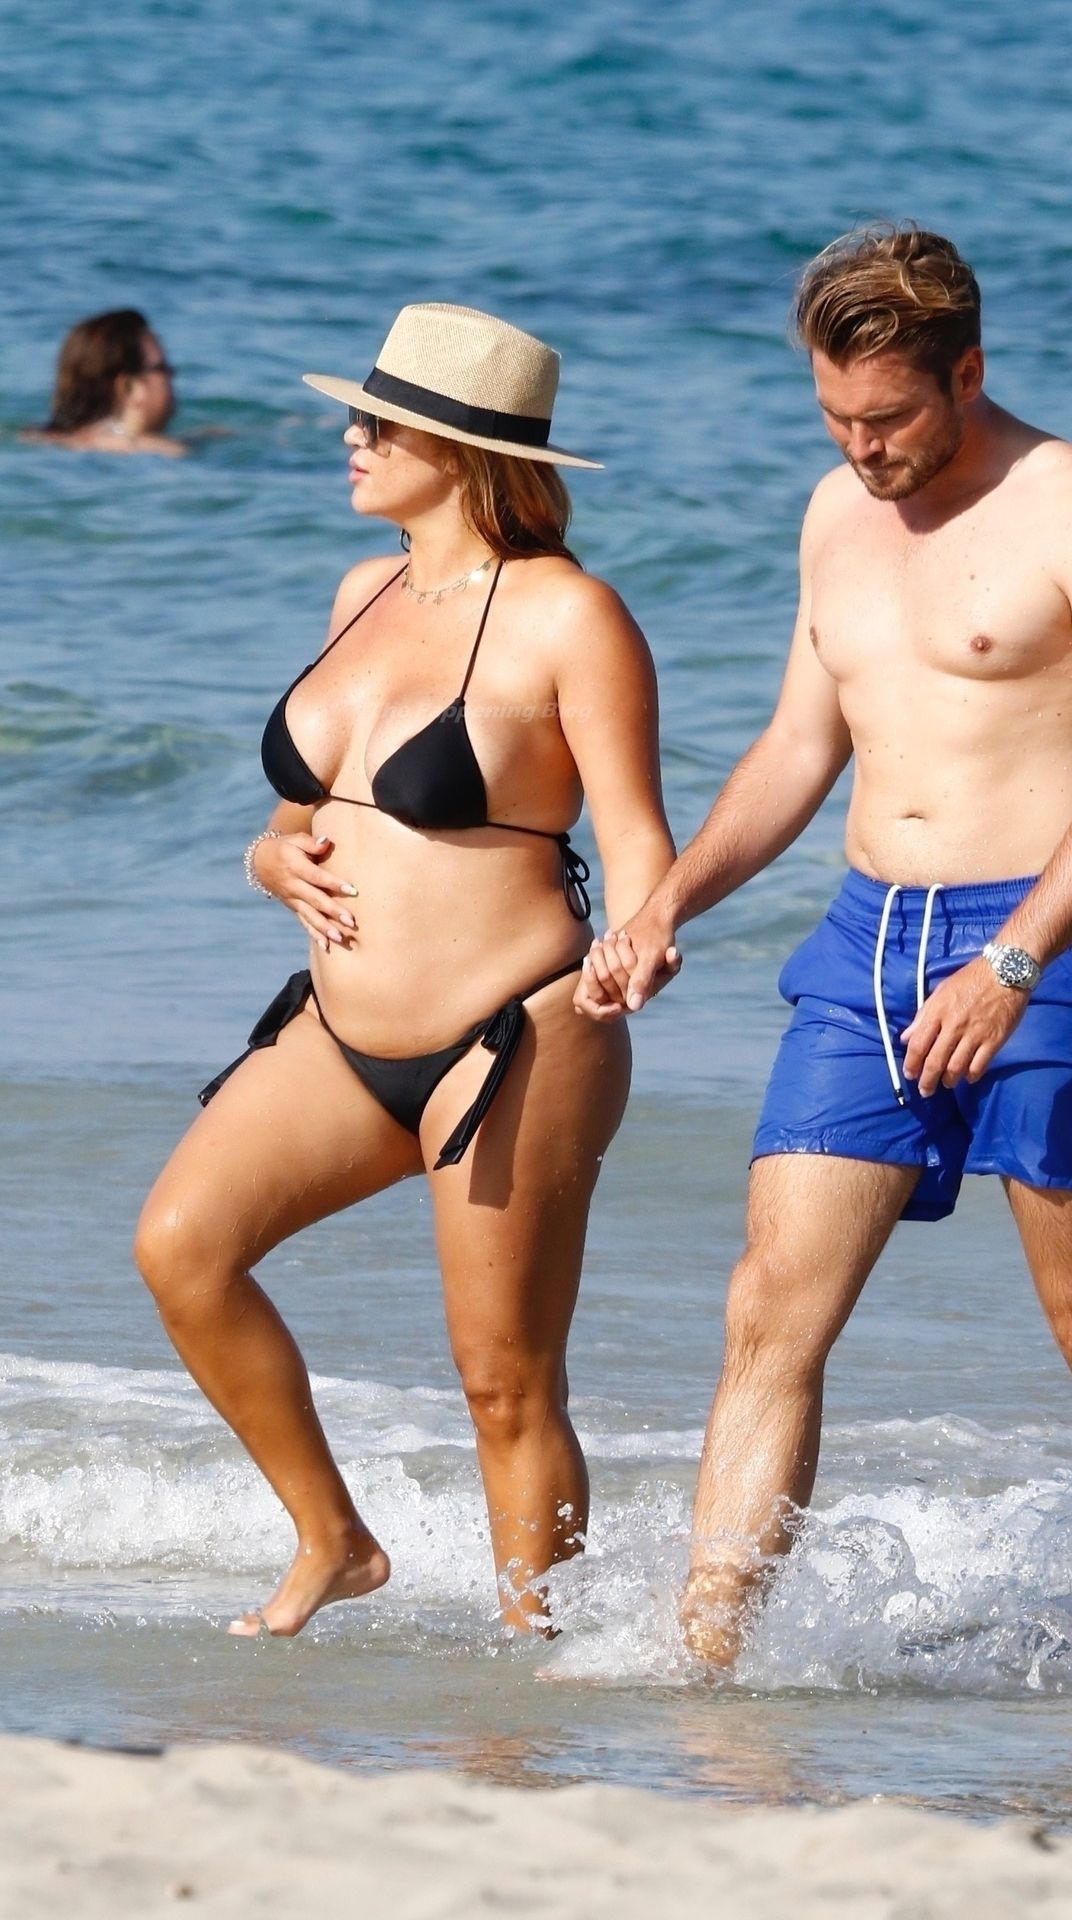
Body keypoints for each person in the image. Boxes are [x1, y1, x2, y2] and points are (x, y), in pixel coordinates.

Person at [578, 225, 1072, 1695]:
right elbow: (797, 748)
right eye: (835, 418)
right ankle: (710, 1670)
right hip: (867, 940)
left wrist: (1011, 964)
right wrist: (666, 904)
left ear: (967, 373)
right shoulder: (834, 513)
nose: (861, 449)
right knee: (769, 1304)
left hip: (1050, 943)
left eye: (886, 418)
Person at [135, 303, 674, 1638]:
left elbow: (636, 836)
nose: (352, 437)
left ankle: (533, 1665)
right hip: (337, 1029)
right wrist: (268, 859)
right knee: (183, 1249)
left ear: (466, 450)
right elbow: (301, 814)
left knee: (504, 1383)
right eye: (359, 414)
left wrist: (642, 936)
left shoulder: (570, 616)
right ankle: (335, 1541)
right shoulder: (361, 594)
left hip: (512, 1038)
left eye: (380, 422)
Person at [23, 308, 185, 455]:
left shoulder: (44, 439)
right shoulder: (163, 451)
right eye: (162, 368)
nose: (172, 374)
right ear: (130, 387)